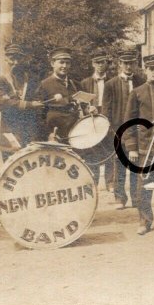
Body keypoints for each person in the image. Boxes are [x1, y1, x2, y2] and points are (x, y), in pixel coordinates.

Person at [123, 53, 154, 235]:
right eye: (152, 69)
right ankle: (144, 221)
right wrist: (132, 147)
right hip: (144, 147)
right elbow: (129, 121)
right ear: (146, 70)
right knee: (144, 184)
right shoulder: (137, 92)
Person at [104, 48, 145, 209]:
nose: (128, 66)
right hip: (118, 131)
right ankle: (120, 198)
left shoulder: (141, 81)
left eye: (131, 63)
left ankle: (136, 198)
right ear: (120, 64)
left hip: (136, 131)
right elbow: (106, 110)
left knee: (136, 165)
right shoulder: (110, 84)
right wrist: (111, 131)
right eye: (125, 63)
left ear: (135, 64)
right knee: (119, 166)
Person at [0, 43, 42, 154]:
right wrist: (30, 104)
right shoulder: (0, 82)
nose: (16, 62)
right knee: (10, 162)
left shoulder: (31, 81)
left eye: (18, 58)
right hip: (10, 127)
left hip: (29, 128)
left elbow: (38, 99)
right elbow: (3, 103)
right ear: (6, 59)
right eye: (12, 59)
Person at [80, 48, 114, 189]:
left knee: (109, 148)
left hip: (108, 116)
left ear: (106, 63)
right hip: (92, 118)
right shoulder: (85, 82)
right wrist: (88, 109)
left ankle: (110, 182)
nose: (100, 65)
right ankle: (92, 181)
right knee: (92, 150)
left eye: (103, 62)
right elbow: (81, 103)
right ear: (93, 64)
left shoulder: (113, 80)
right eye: (97, 62)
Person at [35, 47, 82, 142]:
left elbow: (83, 106)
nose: (64, 66)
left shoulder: (75, 84)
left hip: (74, 133)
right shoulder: (44, 84)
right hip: (55, 134)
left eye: (67, 63)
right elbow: (39, 114)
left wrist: (90, 109)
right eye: (61, 62)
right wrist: (49, 134)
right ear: (53, 64)